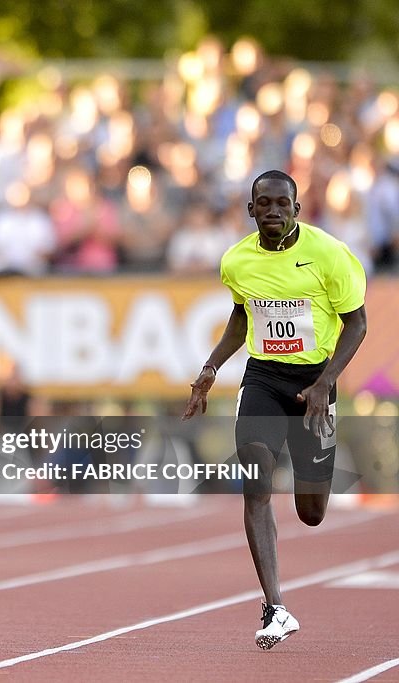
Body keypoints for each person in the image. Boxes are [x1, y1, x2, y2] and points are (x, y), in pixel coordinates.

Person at [182, 170, 367, 650]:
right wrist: (210, 366)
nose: (273, 212)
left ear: (297, 209)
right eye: (263, 204)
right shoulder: (237, 262)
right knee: (256, 480)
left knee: (311, 512)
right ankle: (275, 606)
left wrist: (327, 382)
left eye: (282, 204)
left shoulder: (330, 255)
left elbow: (357, 324)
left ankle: (308, 474)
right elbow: (242, 315)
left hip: (314, 384)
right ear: (251, 210)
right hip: (263, 377)